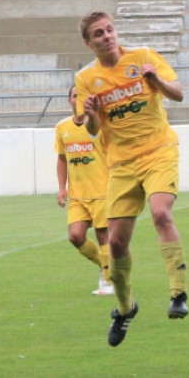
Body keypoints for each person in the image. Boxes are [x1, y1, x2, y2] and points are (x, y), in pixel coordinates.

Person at [76, 11, 189, 348]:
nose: (107, 36)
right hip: (122, 164)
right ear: (89, 43)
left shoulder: (143, 57)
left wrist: (157, 81)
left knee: (160, 213)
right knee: (117, 244)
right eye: (99, 33)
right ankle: (125, 308)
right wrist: (92, 115)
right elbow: (93, 129)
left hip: (159, 151)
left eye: (109, 30)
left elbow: (178, 93)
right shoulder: (86, 79)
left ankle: (178, 293)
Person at [55, 85, 113, 296]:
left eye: (82, 96)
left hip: (101, 191)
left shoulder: (98, 125)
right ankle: (105, 266)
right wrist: (62, 188)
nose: (78, 99)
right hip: (78, 195)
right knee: (75, 236)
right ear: (69, 101)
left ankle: (108, 282)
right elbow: (62, 159)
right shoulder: (62, 127)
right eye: (74, 96)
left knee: (102, 235)